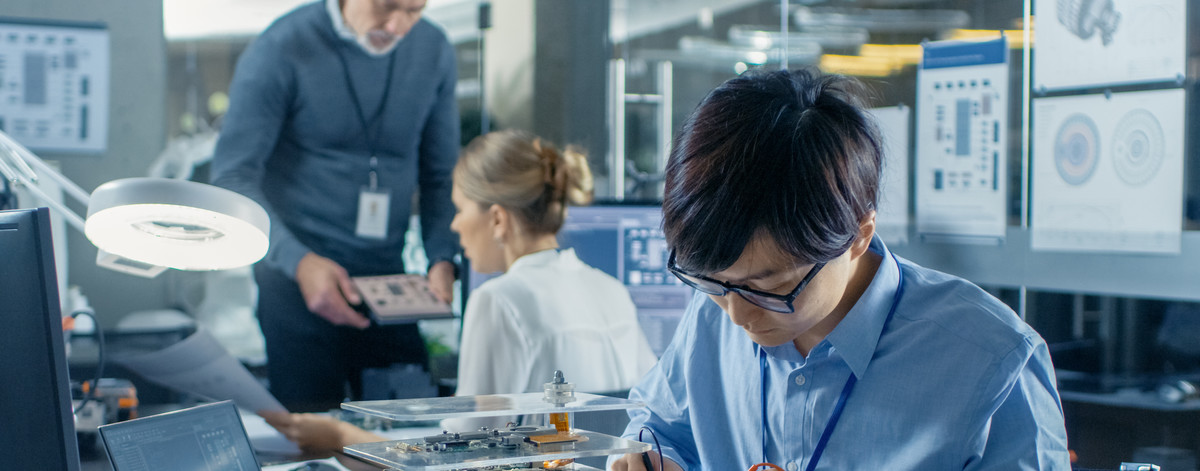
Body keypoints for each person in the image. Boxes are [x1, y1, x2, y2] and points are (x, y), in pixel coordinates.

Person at [611, 68, 1071, 471]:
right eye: (712, 281)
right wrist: (652, 457)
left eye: (768, 286)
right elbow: (659, 424)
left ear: (859, 235)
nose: (737, 315)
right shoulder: (717, 305)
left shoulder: (993, 360)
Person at [262, 130, 658, 451]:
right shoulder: (612, 291)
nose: (454, 226)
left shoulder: (499, 299)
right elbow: (648, 419)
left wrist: (340, 438)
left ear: (498, 219)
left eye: (460, 208)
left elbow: (455, 461)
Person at [210, 0, 460, 413]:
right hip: (295, 280)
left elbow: (441, 177)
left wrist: (442, 257)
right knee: (312, 434)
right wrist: (299, 262)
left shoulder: (433, 49)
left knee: (412, 428)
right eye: (387, 7)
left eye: (414, 10)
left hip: (388, 280)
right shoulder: (281, 46)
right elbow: (232, 180)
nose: (398, 26)